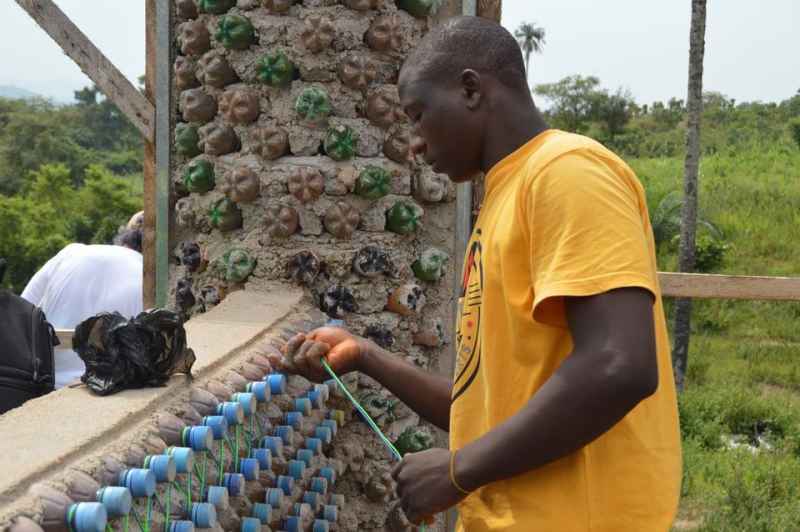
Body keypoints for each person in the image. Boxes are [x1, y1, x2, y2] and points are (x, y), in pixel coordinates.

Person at [281, 17, 681, 532]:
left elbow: (619, 365)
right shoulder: (502, 198)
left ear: (470, 89)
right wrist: (364, 356)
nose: (415, 144)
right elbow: (489, 410)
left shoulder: (567, 174)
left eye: (419, 115)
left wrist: (458, 471)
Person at [21, 228, 144, 389]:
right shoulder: (148, 274)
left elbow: (21, 309)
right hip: (110, 387)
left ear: (121, 243)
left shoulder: (71, 252)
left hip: (45, 381)